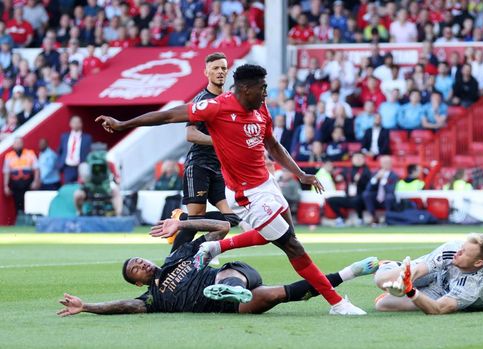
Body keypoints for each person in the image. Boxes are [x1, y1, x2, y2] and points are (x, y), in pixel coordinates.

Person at [96, 64, 366, 315]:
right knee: (293, 247)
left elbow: (273, 145)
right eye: (262, 88)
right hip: (245, 194)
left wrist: (299, 174)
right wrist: (123, 123)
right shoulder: (216, 107)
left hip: (267, 185)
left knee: (287, 237)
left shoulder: (261, 109)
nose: (266, 93)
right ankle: (337, 303)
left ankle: (216, 247)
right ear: (246, 89)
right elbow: (168, 115)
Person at [57, 219, 379, 316]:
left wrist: (184, 222)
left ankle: (232, 288)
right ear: (139, 283)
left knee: (226, 275)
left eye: (139, 260)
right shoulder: (151, 299)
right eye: (136, 270)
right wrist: (87, 307)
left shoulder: (178, 255)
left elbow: (221, 228)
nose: (141, 264)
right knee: (274, 296)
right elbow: (123, 306)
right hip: (228, 309)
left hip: (237, 273)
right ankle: (351, 271)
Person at [172, 52, 242, 249]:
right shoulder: (202, 100)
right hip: (199, 165)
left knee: (232, 219)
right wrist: (220, 141)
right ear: (206, 72)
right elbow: (191, 135)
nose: (220, 72)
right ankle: (170, 265)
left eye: (223, 68)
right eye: (215, 68)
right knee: (195, 222)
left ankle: (183, 219)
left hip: (219, 168)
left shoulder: (230, 100)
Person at [373, 233, 483, 314]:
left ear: (478, 263)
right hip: (438, 272)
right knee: (381, 280)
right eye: (461, 247)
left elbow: (438, 309)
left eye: (464, 252)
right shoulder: (453, 248)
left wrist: (410, 290)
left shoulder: (473, 286)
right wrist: (404, 280)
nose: (457, 252)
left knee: (382, 305)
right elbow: (421, 269)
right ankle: (390, 265)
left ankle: (406, 287)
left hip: (442, 293)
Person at [325, 152, 371, 227]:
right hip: (349, 197)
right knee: (331, 200)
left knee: (357, 200)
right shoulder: (348, 170)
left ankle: (360, 218)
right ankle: (341, 218)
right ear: (352, 159)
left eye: (360, 158)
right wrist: (331, 173)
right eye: (356, 158)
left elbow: (370, 184)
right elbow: (338, 179)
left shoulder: (366, 171)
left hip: (361, 198)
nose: (358, 160)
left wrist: (361, 180)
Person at [3, 137, 40, 215]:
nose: (18, 145)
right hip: (15, 182)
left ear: (22, 144)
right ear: (13, 145)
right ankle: (20, 219)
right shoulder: (9, 156)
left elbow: (36, 168)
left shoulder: (30, 153)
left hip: (28, 181)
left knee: (29, 201)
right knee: (17, 201)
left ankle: (29, 219)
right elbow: (6, 172)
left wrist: (36, 181)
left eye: (19, 143)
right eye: (16, 143)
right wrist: (6, 186)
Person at [362, 155, 399, 225]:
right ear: (381, 164)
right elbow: (368, 188)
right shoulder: (375, 174)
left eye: (387, 162)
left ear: (391, 164)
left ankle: (388, 217)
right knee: (366, 194)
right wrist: (376, 178)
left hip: (387, 198)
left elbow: (391, 190)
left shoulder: (394, 175)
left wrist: (383, 180)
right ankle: (373, 217)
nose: (385, 164)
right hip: (376, 197)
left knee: (389, 197)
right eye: (384, 163)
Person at [56, 115, 92, 184]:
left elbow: (90, 152)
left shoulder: (87, 138)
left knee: (82, 187)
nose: (75, 124)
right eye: (74, 122)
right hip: (68, 167)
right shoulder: (64, 136)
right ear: (70, 124)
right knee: (68, 187)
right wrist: (59, 163)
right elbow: (60, 151)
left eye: (78, 122)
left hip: (81, 166)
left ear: (81, 124)